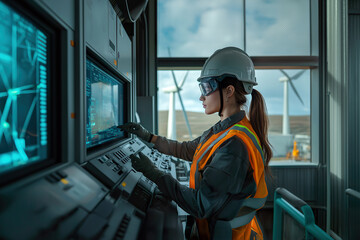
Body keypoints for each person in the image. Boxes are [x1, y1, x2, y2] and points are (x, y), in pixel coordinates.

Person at [119, 47, 272, 240]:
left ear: (229, 91)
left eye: (206, 88)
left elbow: (201, 205)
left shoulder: (235, 144)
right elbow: (188, 150)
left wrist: (154, 174)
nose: (201, 97)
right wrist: (148, 136)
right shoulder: (225, 130)